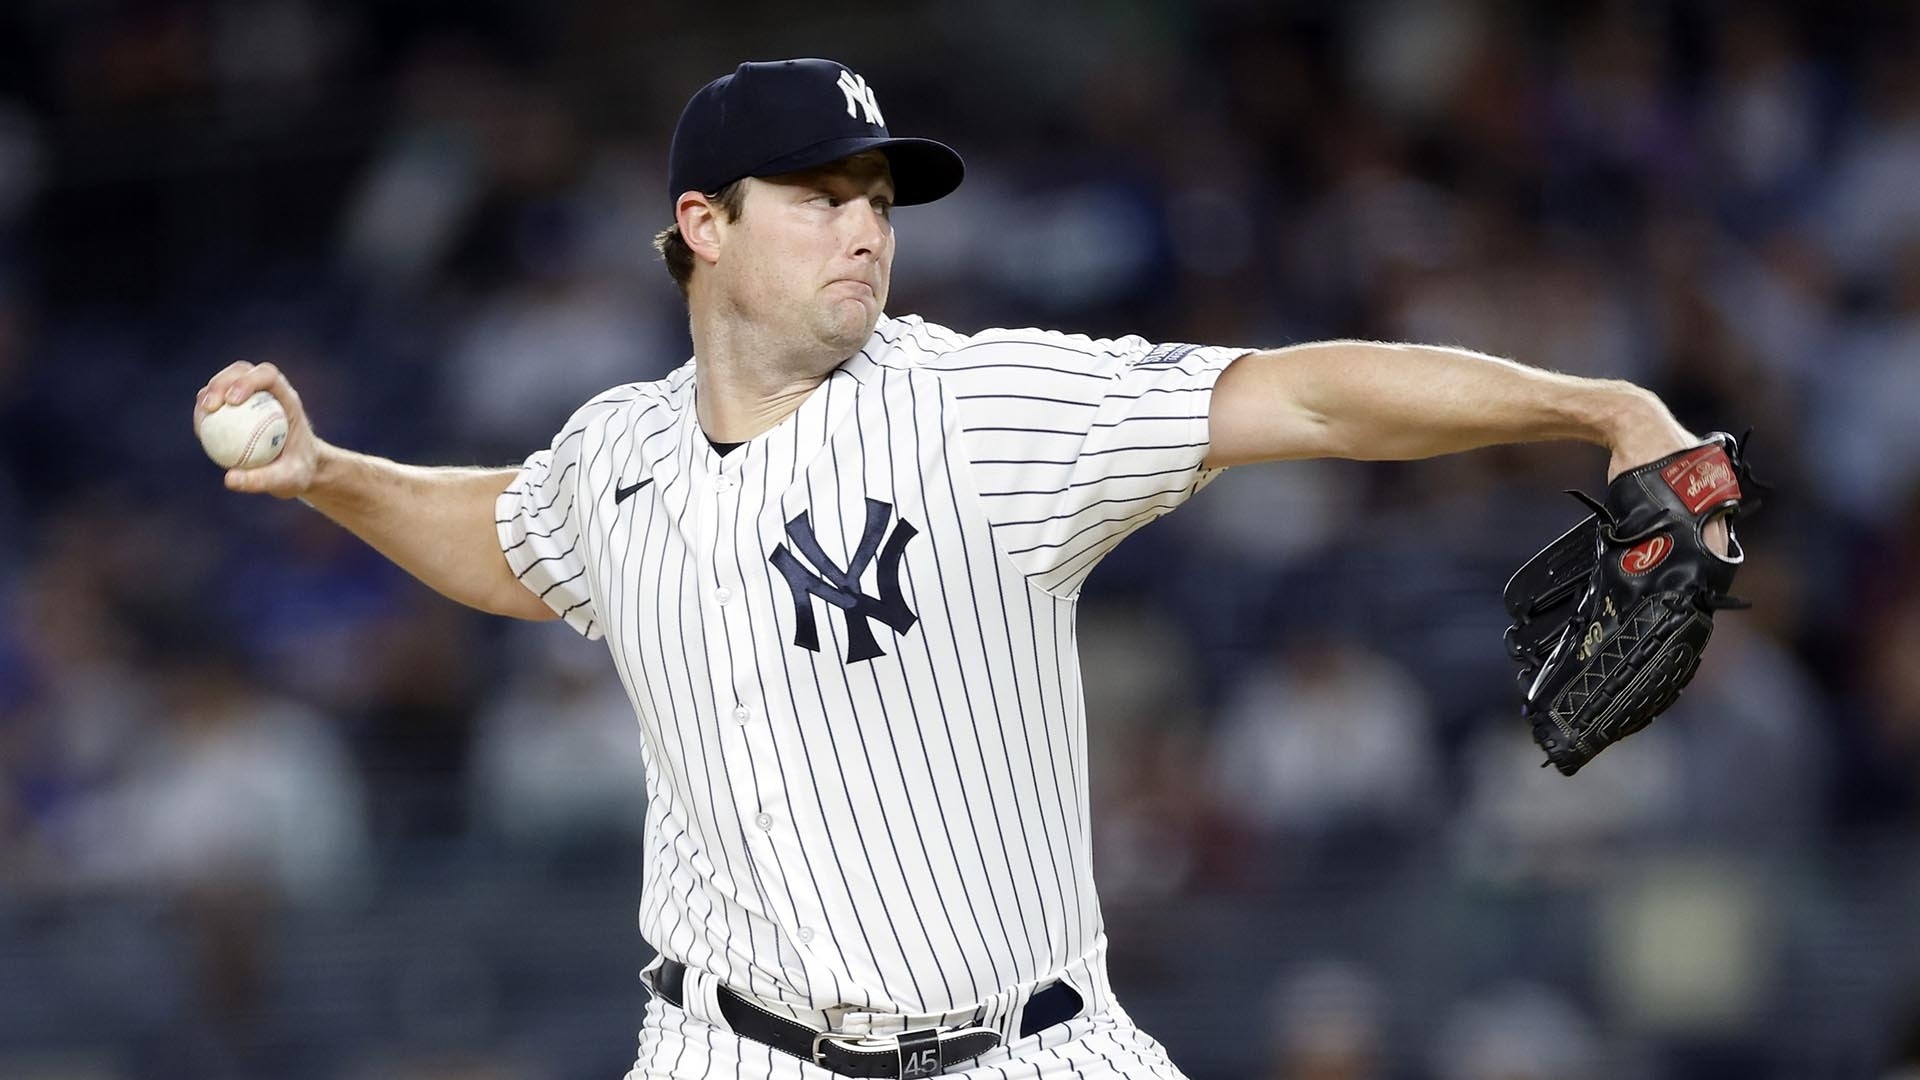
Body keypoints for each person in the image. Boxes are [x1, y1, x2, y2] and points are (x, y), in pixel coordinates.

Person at [192, 57, 1723, 1080]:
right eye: (820, 200)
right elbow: (516, 543)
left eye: (879, 203)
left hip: (1026, 1047)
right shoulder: (619, 454)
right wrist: (334, 480)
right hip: (726, 1049)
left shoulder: (982, 409)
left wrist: (1591, 407)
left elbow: (1301, 391)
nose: (866, 232)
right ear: (700, 228)